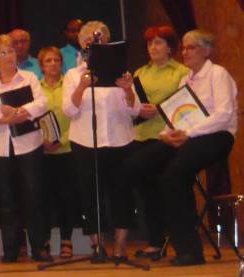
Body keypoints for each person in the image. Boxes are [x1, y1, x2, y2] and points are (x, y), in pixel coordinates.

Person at [127, 29, 237, 266]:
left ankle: (190, 251)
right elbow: (176, 116)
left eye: (192, 47)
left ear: (207, 51)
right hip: (188, 137)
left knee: (173, 176)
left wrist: (187, 133)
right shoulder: (185, 79)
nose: (185, 52)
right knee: (139, 164)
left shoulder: (218, 74)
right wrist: (167, 135)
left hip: (216, 136)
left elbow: (224, 114)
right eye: (184, 47)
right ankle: (159, 233)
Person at [62, 21, 140, 262]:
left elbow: (135, 110)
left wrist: (128, 90)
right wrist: (82, 87)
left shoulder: (123, 72)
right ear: (83, 45)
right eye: (90, 40)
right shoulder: (74, 75)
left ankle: (120, 247)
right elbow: (68, 110)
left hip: (120, 140)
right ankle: (97, 246)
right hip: (85, 141)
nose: (95, 43)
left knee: (121, 193)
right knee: (90, 194)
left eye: (101, 39)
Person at [0, 34, 51, 263]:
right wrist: (3, 119)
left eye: (10, 51)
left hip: (28, 144)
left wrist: (20, 113)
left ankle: (39, 247)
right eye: (2, 53)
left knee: (33, 196)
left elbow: (41, 102)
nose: (8, 55)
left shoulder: (28, 77)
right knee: (5, 200)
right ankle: (10, 248)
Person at [127, 25, 189, 261]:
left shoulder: (181, 72)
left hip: (169, 138)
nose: (153, 47)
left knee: (169, 187)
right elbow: (130, 105)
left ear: (171, 47)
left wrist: (160, 110)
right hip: (141, 136)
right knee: (146, 191)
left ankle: (179, 239)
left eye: (159, 42)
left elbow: (187, 104)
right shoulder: (140, 72)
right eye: (150, 43)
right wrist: (137, 108)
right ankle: (155, 241)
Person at [37, 46, 79, 259]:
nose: (53, 63)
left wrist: (61, 141)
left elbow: (77, 116)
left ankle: (66, 240)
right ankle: (43, 240)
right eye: (48, 60)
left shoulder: (70, 85)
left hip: (68, 148)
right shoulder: (35, 87)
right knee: (43, 198)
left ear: (62, 63)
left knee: (67, 197)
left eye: (56, 60)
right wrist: (42, 141)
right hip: (42, 152)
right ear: (41, 65)